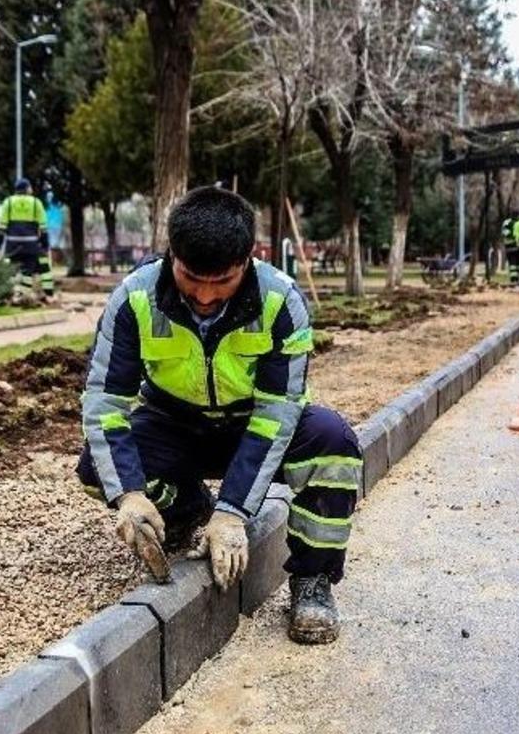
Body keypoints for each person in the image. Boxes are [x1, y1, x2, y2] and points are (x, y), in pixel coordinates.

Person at [77, 186, 363, 645]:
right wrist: (129, 494)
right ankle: (188, 511)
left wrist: (234, 512)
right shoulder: (134, 299)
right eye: (192, 278)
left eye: (222, 281)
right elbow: (105, 402)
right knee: (98, 467)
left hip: (252, 425)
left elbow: (276, 415)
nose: (205, 296)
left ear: (249, 259)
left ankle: (313, 580)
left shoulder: (281, 302)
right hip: (175, 422)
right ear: (172, 255)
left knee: (334, 444)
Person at [0, 178, 49, 304]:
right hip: (30, 244)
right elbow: (43, 227)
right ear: (27, 188)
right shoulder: (36, 203)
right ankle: (24, 297)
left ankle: (14, 295)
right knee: (28, 271)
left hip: (12, 244)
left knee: (13, 271)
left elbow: (2, 226)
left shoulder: (8, 202)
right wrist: (45, 245)